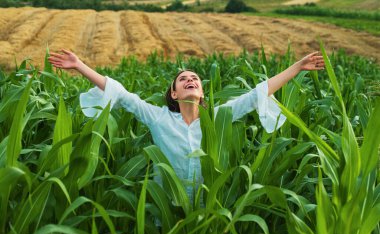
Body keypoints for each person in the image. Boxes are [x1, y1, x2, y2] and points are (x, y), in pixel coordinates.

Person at [48, 50, 325, 202]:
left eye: (195, 78)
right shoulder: (158, 117)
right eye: (182, 79)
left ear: (202, 93)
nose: (190, 79)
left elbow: (256, 94)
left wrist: (297, 67)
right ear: (175, 94)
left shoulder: (218, 117)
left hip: (207, 211)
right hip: (166, 211)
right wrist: (80, 65)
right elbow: (121, 94)